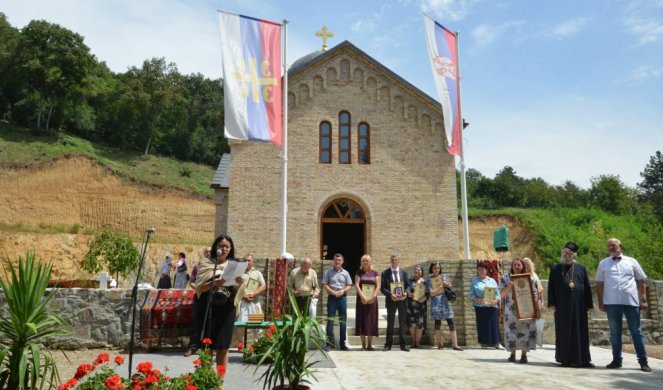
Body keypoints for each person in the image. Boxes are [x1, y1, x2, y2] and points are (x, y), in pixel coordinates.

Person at [192, 234, 244, 379]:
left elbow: (239, 292)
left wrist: (240, 283)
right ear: (216, 247)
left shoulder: (234, 265)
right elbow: (199, 288)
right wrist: (214, 283)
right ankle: (206, 380)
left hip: (226, 310)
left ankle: (219, 382)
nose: (224, 249)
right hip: (208, 308)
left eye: (227, 246)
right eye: (221, 246)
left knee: (223, 346)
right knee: (207, 346)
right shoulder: (207, 263)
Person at [596, 238, 651, 372]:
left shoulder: (631, 261)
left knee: (636, 332)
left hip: (631, 303)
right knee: (615, 333)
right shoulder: (603, 263)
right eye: (608, 246)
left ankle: (643, 361)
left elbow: (641, 280)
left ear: (620, 245)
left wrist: (643, 299)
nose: (611, 248)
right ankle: (616, 360)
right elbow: (599, 284)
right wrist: (601, 302)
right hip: (612, 303)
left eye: (613, 245)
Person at [548, 242, 594, 368]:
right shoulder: (556, 268)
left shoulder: (581, 268)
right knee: (564, 331)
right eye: (564, 253)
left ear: (574, 255)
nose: (566, 255)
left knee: (580, 332)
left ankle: (582, 359)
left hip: (579, 306)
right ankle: (565, 359)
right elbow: (551, 287)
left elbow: (587, 287)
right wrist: (552, 303)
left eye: (568, 253)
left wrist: (589, 305)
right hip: (562, 306)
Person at [500, 258, 538, 363]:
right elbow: (501, 294)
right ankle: (512, 354)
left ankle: (524, 355)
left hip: (526, 309)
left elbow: (535, 294)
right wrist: (509, 286)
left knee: (525, 331)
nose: (517, 267)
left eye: (519, 265)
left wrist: (536, 309)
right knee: (511, 331)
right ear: (512, 266)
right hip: (511, 311)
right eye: (515, 265)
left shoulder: (529, 278)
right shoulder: (506, 278)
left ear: (523, 266)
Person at [321, 253, 353, 351]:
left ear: (342, 262)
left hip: (342, 298)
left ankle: (342, 344)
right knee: (330, 321)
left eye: (339, 260)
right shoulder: (328, 272)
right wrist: (333, 292)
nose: (337, 262)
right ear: (333, 261)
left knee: (342, 322)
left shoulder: (346, 273)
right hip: (332, 298)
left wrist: (343, 291)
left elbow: (349, 285)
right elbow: (324, 284)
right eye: (336, 260)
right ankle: (328, 344)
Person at [428, 261, 462, 350]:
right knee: (437, 323)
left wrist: (447, 285)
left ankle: (455, 344)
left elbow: (450, 286)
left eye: (438, 268)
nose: (437, 270)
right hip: (436, 303)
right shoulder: (429, 279)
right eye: (435, 268)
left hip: (445, 302)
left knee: (451, 321)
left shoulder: (444, 276)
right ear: (431, 269)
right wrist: (440, 287)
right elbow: (431, 293)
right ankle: (440, 344)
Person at [233, 253, 266, 344]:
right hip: (242, 302)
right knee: (240, 326)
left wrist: (254, 294)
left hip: (255, 303)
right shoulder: (239, 273)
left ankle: (259, 345)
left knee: (257, 325)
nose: (247, 262)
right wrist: (243, 296)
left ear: (253, 262)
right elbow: (234, 287)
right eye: (245, 260)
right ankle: (241, 345)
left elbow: (263, 285)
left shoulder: (257, 273)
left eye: (249, 260)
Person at [184, 246, 211, 357]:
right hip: (200, 296)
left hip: (212, 296)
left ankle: (207, 348)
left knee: (210, 322)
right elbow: (191, 281)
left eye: (210, 251)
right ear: (204, 253)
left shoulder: (216, 266)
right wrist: (198, 287)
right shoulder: (197, 266)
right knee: (197, 322)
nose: (208, 253)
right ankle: (193, 347)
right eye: (206, 251)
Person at [381, 255, 410, 352]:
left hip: (402, 301)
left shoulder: (404, 272)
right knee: (390, 323)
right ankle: (388, 344)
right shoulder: (385, 273)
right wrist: (390, 295)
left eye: (396, 260)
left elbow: (408, 285)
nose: (394, 261)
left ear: (399, 261)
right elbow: (383, 288)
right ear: (390, 261)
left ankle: (404, 345)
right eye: (393, 260)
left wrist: (406, 292)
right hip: (391, 301)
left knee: (402, 323)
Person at [469, 262, 501, 348]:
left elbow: (498, 294)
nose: (482, 271)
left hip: (492, 306)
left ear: (486, 270)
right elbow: (471, 294)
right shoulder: (474, 281)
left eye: (483, 269)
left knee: (494, 325)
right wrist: (479, 300)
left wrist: (496, 301)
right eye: (479, 269)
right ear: (477, 270)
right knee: (482, 325)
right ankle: (483, 343)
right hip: (480, 307)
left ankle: (497, 343)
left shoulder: (492, 281)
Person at [354, 254, 380, 350]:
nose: (365, 262)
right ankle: (363, 345)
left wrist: (374, 296)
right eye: (364, 260)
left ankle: (369, 345)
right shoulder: (359, 272)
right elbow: (356, 285)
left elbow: (378, 286)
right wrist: (362, 297)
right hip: (361, 301)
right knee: (362, 321)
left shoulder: (375, 273)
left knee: (371, 322)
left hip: (372, 301)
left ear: (370, 262)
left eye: (367, 260)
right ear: (362, 262)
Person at [406, 265, 429, 348]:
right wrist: (411, 294)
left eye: (419, 270)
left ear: (422, 272)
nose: (417, 271)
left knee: (420, 324)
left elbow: (427, 293)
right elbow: (406, 291)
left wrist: (424, 298)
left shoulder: (425, 282)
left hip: (421, 305)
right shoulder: (410, 280)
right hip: (411, 306)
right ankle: (413, 342)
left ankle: (418, 342)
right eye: (416, 270)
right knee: (412, 324)